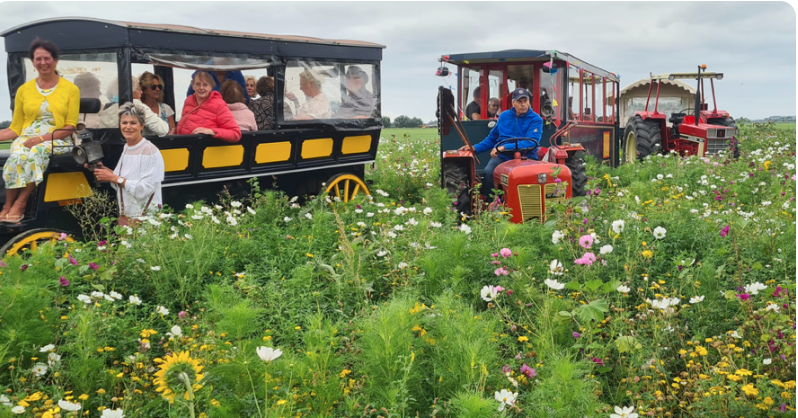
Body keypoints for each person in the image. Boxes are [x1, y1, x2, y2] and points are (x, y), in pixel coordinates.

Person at [0, 39, 80, 223]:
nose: (43, 62)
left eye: (47, 58)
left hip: (57, 139)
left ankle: (21, 202)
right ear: (33, 62)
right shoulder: (24, 90)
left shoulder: (71, 89)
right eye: (38, 59)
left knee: (37, 151)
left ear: (55, 60)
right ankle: (7, 205)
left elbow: (69, 127)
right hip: (26, 138)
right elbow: (15, 128)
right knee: (16, 155)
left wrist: (41, 139)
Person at [459, 88, 542, 199]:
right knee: (489, 172)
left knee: (535, 177)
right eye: (519, 101)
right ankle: (490, 204)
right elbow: (491, 139)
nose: (523, 104)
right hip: (503, 157)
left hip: (526, 157)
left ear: (529, 102)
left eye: (525, 101)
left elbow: (531, 143)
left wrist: (503, 147)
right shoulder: (504, 116)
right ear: (513, 103)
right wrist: (475, 148)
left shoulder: (536, 119)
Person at [91, 102, 165, 222]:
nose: (128, 127)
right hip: (126, 216)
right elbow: (124, 180)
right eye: (124, 122)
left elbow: (145, 189)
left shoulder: (149, 151)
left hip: (144, 219)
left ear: (142, 125)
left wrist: (114, 178)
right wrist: (105, 172)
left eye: (133, 123)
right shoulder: (127, 147)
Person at [176, 71, 241, 142]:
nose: (201, 88)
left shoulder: (219, 105)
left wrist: (212, 131)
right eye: (198, 84)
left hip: (204, 149)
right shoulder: (188, 101)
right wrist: (175, 130)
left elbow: (235, 134)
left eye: (205, 85)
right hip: (183, 146)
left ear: (211, 87)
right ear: (193, 86)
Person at [98, 76, 168, 136]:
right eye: (139, 89)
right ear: (131, 90)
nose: (141, 92)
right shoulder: (137, 106)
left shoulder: (108, 108)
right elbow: (163, 129)